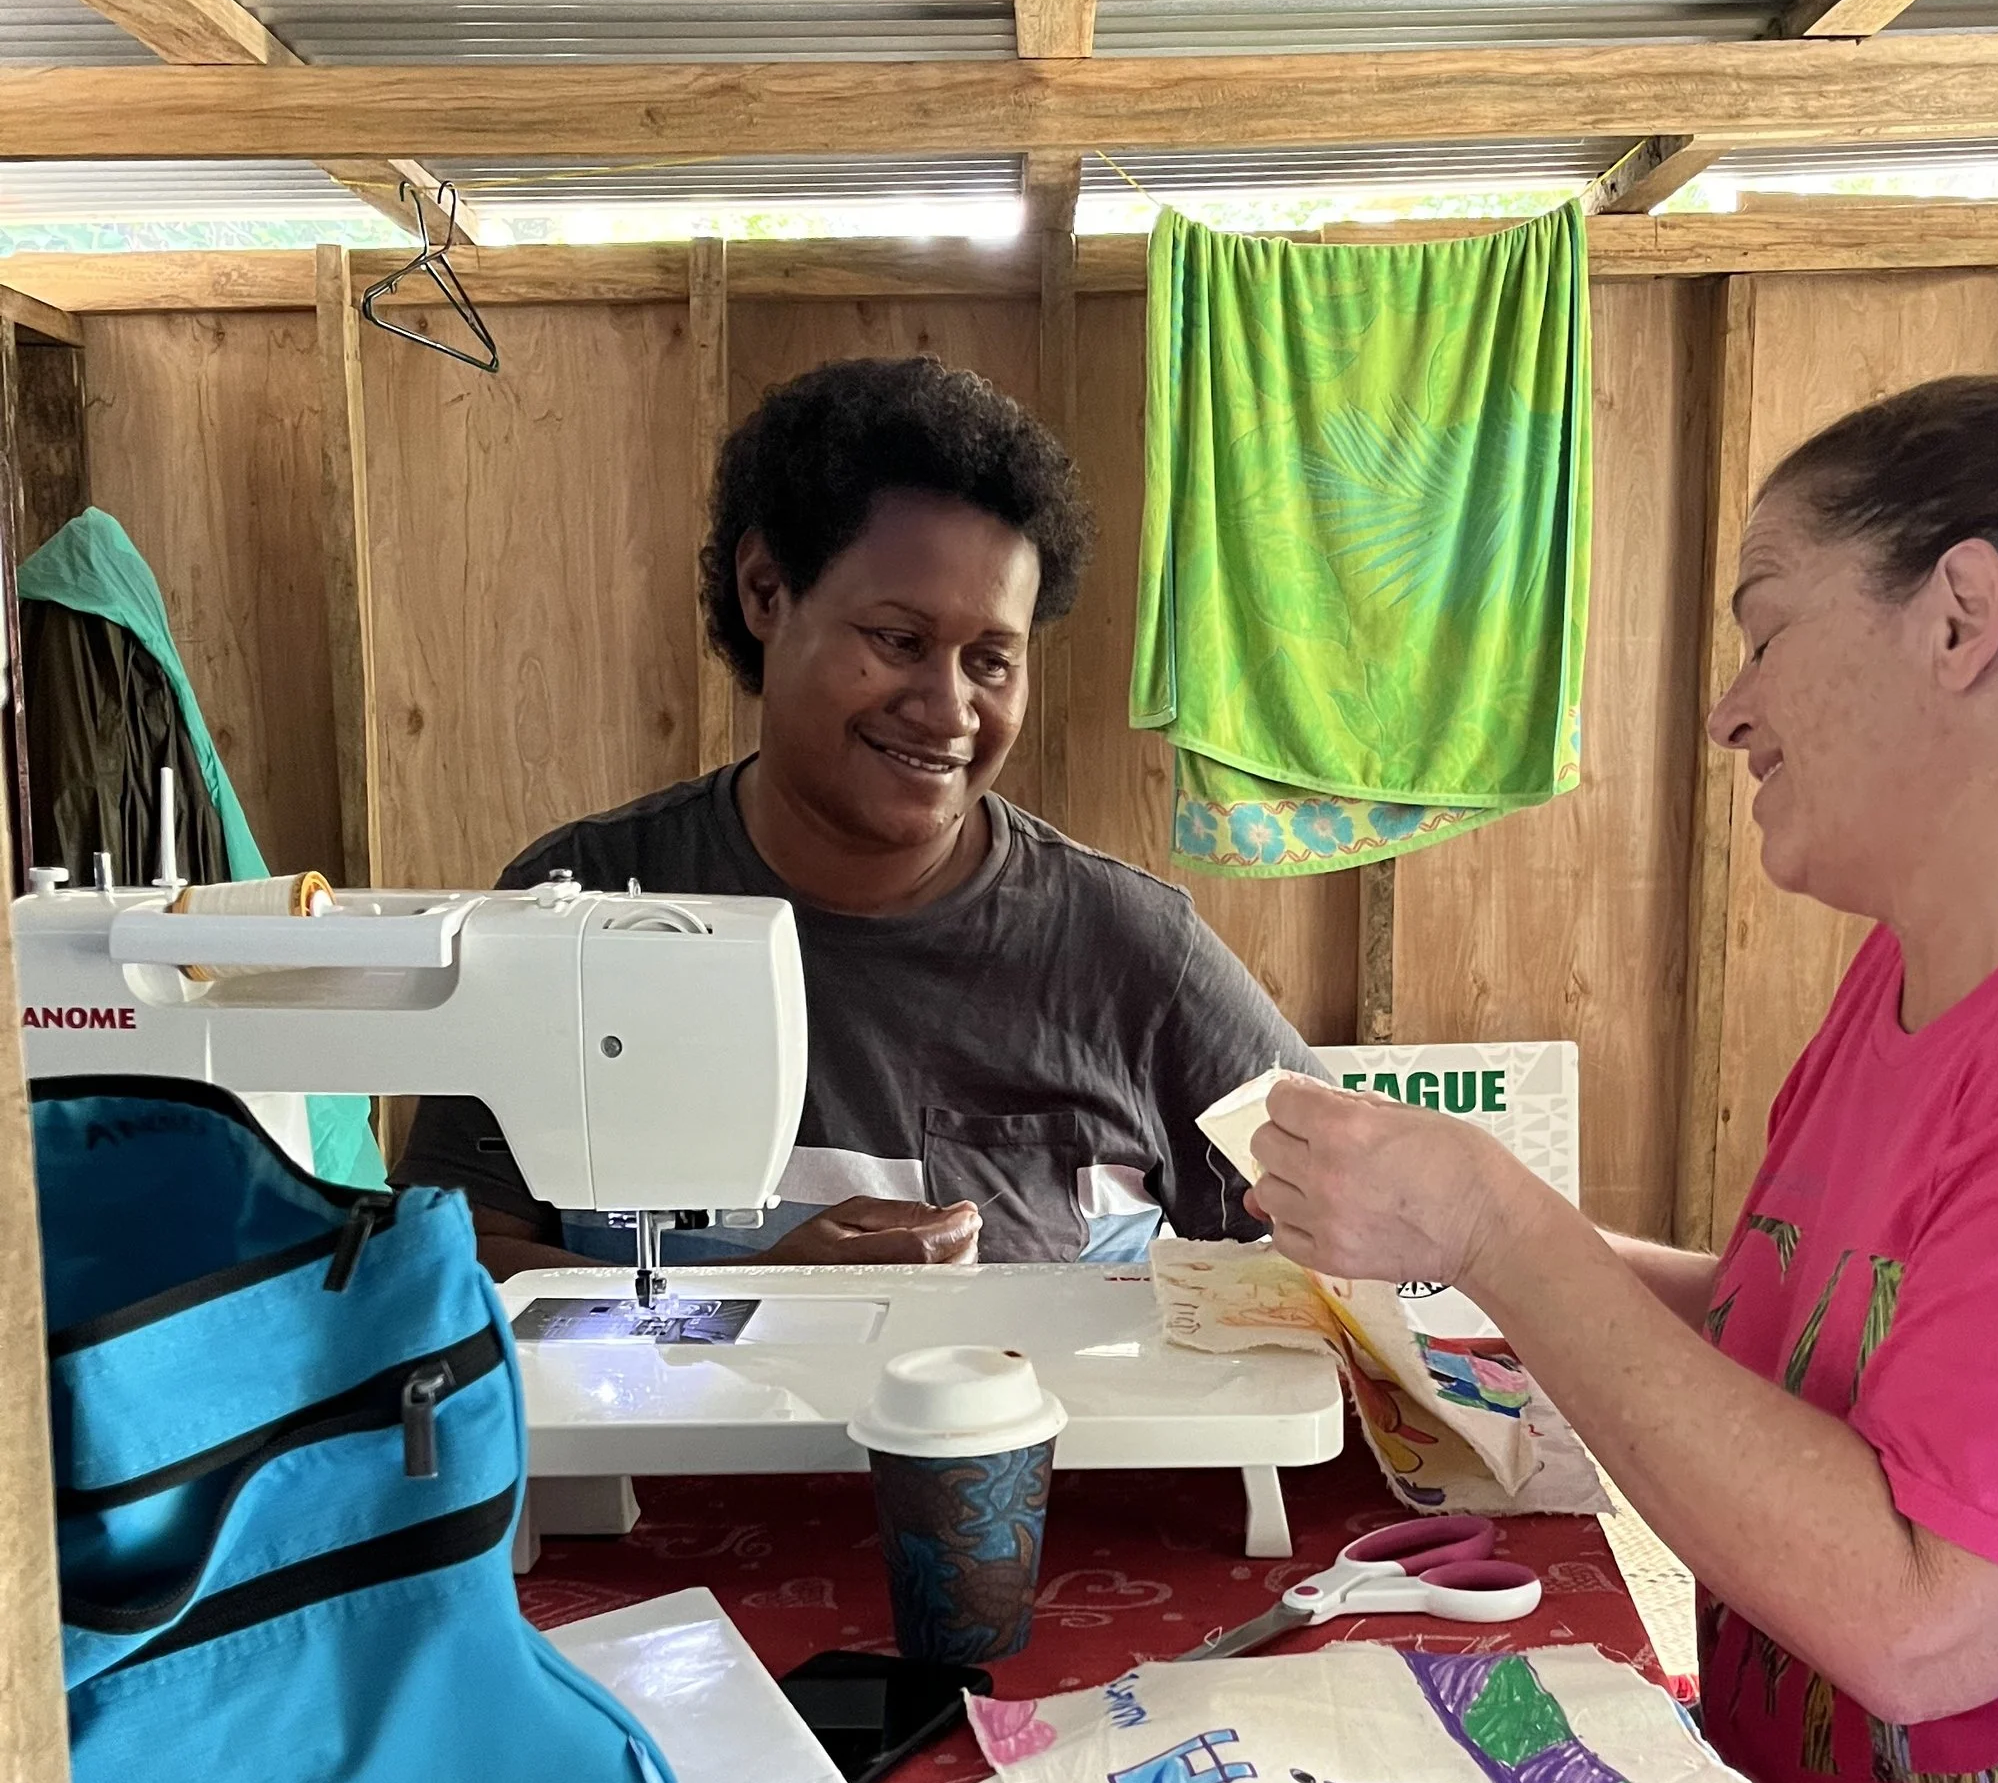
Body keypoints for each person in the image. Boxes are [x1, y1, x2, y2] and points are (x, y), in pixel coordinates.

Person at [1247, 364, 1998, 1783]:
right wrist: (1439, 1242)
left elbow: (1923, 1624)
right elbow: (1778, 1321)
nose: (1731, 708)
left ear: (1958, 617)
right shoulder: (1915, 968)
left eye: (1763, 627)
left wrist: (1499, 1228)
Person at [397, 355, 1326, 1277]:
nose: (949, 706)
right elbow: (443, 1270)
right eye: (900, 641)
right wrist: (767, 1300)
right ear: (766, 592)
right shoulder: (578, 912)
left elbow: (1354, 1243)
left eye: (991, 660)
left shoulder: (1129, 955)